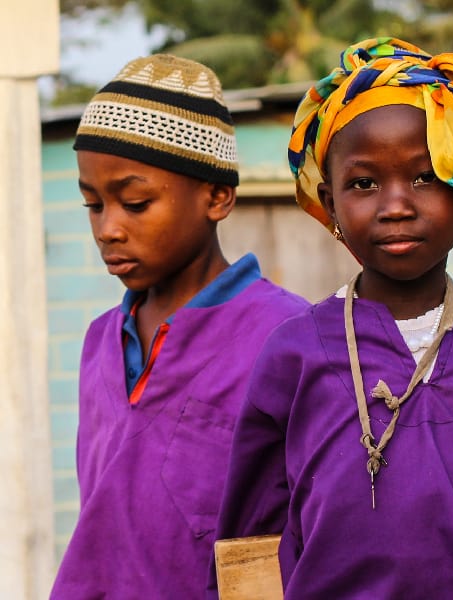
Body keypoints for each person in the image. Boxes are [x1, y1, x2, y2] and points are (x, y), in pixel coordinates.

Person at [211, 37, 453, 599]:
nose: (395, 204)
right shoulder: (295, 355)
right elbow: (246, 543)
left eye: (425, 177)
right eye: (364, 183)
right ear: (330, 203)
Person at [49, 54, 309, 599]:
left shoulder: (288, 339)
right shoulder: (101, 340)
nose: (108, 229)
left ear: (217, 196)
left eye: (135, 203)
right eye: (92, 205)